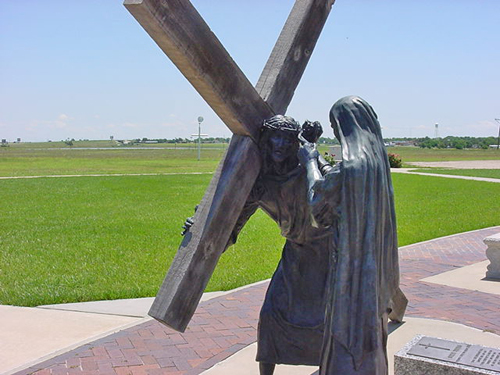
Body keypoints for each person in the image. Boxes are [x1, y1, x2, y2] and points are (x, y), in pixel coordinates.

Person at [226, 115, 337, 375]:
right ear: (265, 140)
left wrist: (313, 151)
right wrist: (202, 227)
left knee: (329, 319)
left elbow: (328, 186)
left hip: (327, 250)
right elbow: (233, 226)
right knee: (271, 314)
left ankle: (330, 366)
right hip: (296, 253)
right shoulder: (260, 184)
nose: (280, 144)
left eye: (287, 139)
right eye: (274, 137)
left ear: (294, 143)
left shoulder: (306, 168)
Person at [299, 96, 401, 374]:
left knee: (347, 330)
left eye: (336, 127)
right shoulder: (376, 167)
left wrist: (309, 161)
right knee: (371, 329)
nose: (334, 132)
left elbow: (317, 210)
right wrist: (322, 162)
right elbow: (340, 184)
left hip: (350, 270)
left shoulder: (350, 170)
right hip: (374, 270)